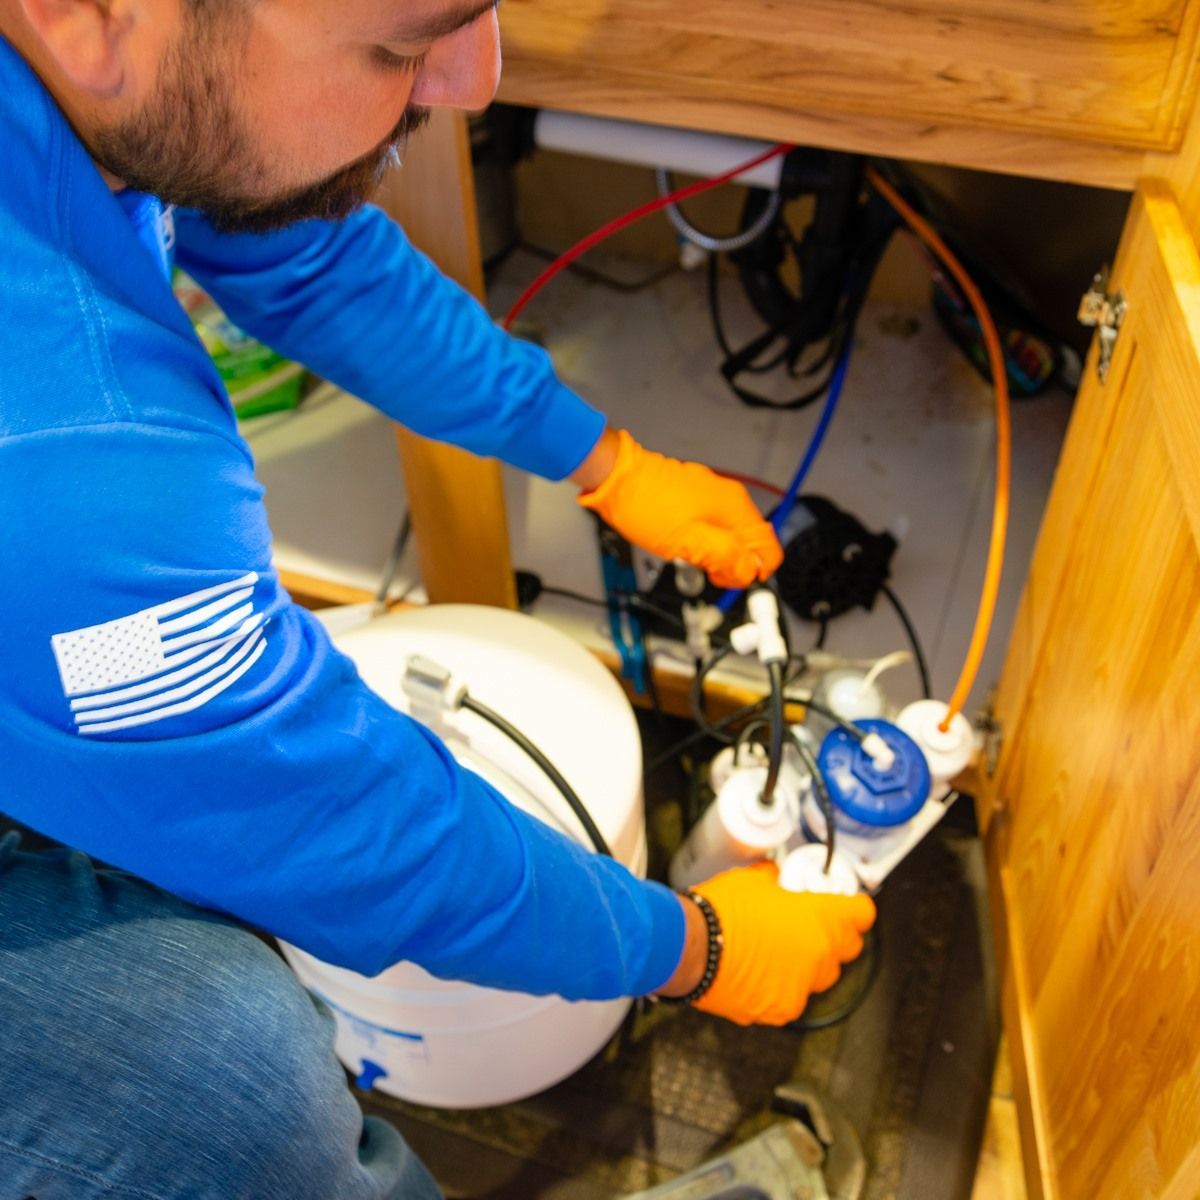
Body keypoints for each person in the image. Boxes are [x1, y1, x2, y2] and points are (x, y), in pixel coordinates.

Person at [0, 0, 877, 1195]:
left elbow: (300, 251)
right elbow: (343, 827)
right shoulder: (78, 466)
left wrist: (603, 459)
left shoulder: (107, 82)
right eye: (404, 44)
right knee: (222, 1088)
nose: (474, 82)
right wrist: (697, 948)